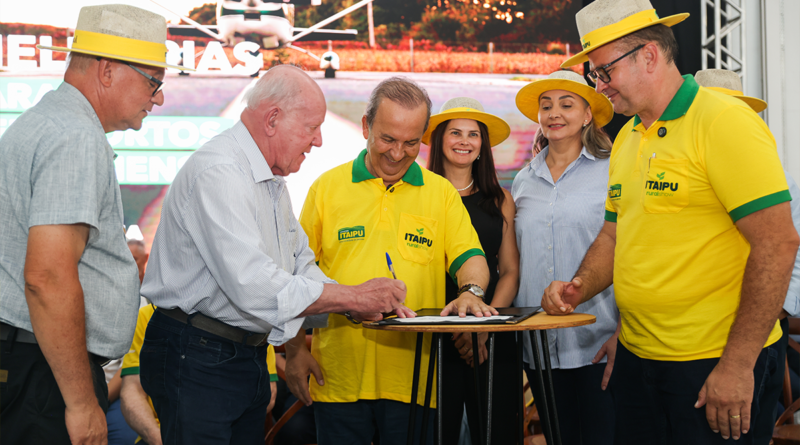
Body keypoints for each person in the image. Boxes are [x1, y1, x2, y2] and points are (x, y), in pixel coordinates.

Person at [543, 0, 799, 443]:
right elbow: (613, 236)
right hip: (638, 361)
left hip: (712, 363)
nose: (599, 86)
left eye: (604, 71)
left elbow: (777, 243)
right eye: (594, 74)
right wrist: (580, 286)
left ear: (648, 55)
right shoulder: (628, 137)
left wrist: (738, 364)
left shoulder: (723, 121)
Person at [139, 65, 408, 444]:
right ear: (272, 120)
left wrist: (353, 306)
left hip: (238, 354)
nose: (317, 141)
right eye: (311, 127)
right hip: (198, 354)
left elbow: (300, 264)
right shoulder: (221, 172)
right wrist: (352, 297)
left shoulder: (269, 180)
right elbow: (254, 284)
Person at [0, 5, 180, 444]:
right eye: (153, 82)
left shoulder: (47, 122)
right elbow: (47, 277)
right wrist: (81, 403)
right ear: (107, 71)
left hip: (34, 364)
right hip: (46, 378)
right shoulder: (75, 137)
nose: (158, 98)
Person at [290, 77, 496, 445]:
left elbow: (471, 257)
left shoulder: (441, 193)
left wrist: (472, 291)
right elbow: (295, 278)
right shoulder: (327, 188)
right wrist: (294, 352)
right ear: (366, 126)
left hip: (415, 383)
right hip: (336, 378)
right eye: (388, 139)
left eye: (411, 142)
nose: (398, 153)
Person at [512, 69, 617, 445]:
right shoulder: (523, 180)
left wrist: (625, 332)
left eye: (566, 104)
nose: (554, 113)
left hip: (599, 344)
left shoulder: (613, 171)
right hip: (538, 348)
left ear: (588, 115)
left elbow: (633, 252)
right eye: (546, 105)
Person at [695, 67, 800, 418]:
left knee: (747, 424)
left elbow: (792, 248)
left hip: (758, 329)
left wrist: (770, 311)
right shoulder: (685, 172)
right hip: (697, 330)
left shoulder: (777, 178)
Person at [422, 97, 520, 444]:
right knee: (435, 433)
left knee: (496, 432)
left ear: (482, 145)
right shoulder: (420, 197)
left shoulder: (500, 199)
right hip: (433, 332)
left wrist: (483, 327)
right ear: (439, 140)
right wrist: (457, 328)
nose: (464, 141)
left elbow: (510, 271)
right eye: (455, 132)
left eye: (473, 134)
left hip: (491, 335)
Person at [120, 301, 281, 445]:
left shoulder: (255, 328)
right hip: (156, 433)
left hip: (227, 430)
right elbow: (131, 392)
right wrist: (158, 438)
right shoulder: (149, 314)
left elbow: (269, 394)